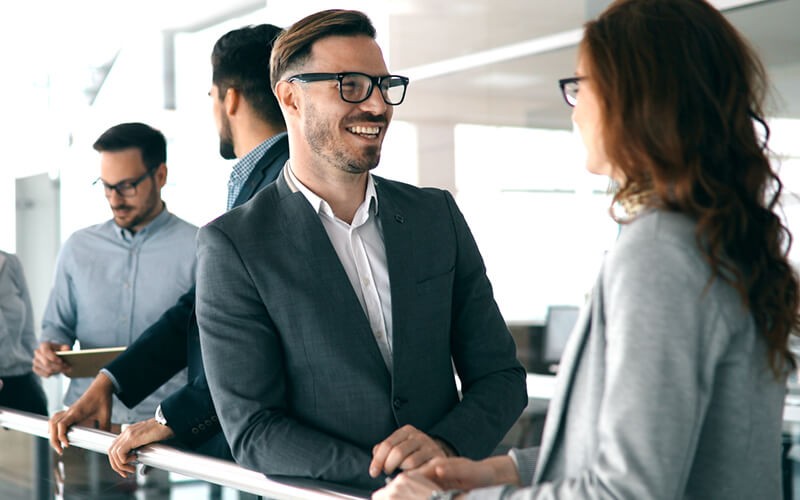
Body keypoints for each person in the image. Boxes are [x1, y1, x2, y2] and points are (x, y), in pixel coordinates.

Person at [374, 1, 800, 499]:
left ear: (635, 97)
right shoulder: (712, 239)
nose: (574, 110)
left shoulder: (659, 253)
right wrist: (501, 471)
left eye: (581, 85)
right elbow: (654, 447)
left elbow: (626, 490)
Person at [196, 9, 528, 492]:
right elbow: (253, 428)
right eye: (350, 85)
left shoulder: (436, 216)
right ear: (290, 96)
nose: (377, 105)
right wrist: (389, 478)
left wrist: (444, 448)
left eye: (382, 85)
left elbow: (500, 377)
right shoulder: (235, 244)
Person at [46, 24, 290, 478]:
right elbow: (198, 313)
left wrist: (168, 418)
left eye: (212, 95)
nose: (116, 196)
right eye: (107, 186)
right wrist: (111, 381)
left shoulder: (278, 190)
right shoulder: (264, 183)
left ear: (230, 98)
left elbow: (256, 343)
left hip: (259, 451)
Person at [33, 122, 197, 428]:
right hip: (85, 424)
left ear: (160, 175)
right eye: (106, 186)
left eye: (126, 186)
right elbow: (55, 330)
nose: (114, 198)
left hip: (164, 429)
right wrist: (48, 353)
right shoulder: (78, 248)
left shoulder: (200, 248)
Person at [0, 250, 47, 415]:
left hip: (24, 382)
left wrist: (36, 374)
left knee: (43, 440)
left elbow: (27, 333)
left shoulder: (11, 263)